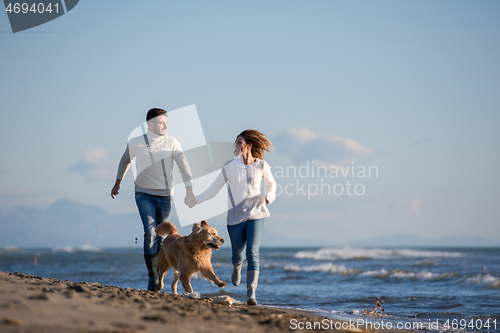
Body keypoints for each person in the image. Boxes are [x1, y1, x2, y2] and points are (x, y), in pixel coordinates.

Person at [111, 108, 196, 291]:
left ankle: (159, 272)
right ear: (150, 124)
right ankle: (152, 276)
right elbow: (125, 160)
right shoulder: (136, 142)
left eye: (166, 122)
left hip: (165, 195)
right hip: (143, 193)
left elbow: (183, 165)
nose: (165, 125)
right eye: (160, 122)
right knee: (150, 232)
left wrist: (189, 189)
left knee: (162, 237)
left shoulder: (172, 142)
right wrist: (118, 183)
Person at [191, 129, 276, 306]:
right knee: (238, 254)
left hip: (256, 213)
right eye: (236, 142)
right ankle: (237, 266)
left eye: (240, 142)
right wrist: (197, 199)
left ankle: (251, 295)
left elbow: (271, 184)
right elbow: (215, 187)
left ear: (249, 145)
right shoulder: (230, 166)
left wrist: (269, 197)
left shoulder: (261, 166)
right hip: (235, 218)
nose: (236, 146)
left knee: (253, 253)